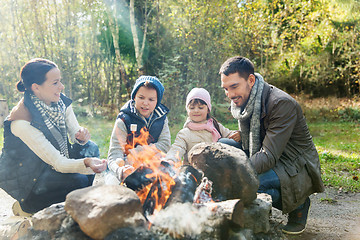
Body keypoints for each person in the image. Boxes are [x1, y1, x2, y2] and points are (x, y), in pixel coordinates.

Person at [219, 56, 324, 235]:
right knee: (222, 148)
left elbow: (267, 157)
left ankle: (299, 204)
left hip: (294, 165)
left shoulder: (281, 104)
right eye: (226, 89)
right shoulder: (245, 100)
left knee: (249, 184)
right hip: (267, 152)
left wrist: (234, 175)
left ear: (250, 80)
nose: (229, 94)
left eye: (234, 86)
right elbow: (253, 138)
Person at [0, 58, 107, 216]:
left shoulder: (60, 101)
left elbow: (75, 132)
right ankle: (28, 208)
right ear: (36, 87)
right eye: (55, 82)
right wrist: (85, 163)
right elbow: (58, 162)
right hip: (31, 182)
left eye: (60, 81)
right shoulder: (21, 121)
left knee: (90, 148)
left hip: (48, 166)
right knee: (80, 180)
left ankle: (71, 201)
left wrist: (81, 137)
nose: (61, 87)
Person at [107, 76, 171, 183]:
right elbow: (114, 152)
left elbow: (165, 144)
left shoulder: (161, 118)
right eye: (141, 97)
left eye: (151, 99)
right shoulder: (124, 119)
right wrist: (120, 170)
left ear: (157, 102)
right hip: (127, 165)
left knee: (170, 178)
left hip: (151, 165)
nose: (145, 103)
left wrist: (137, 153)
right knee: (111, 182)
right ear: (134, 97)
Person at [165, 87, 240, 164]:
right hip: (194, 171)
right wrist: (170, 160)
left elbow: (229, 135)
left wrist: (236, 135)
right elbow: (177, 148)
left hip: (215, 169)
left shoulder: (215, 126)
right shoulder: (185, 133)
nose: (196, 111)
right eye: (192, 108)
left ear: (208, 109)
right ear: (187, 110)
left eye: (201, 108)